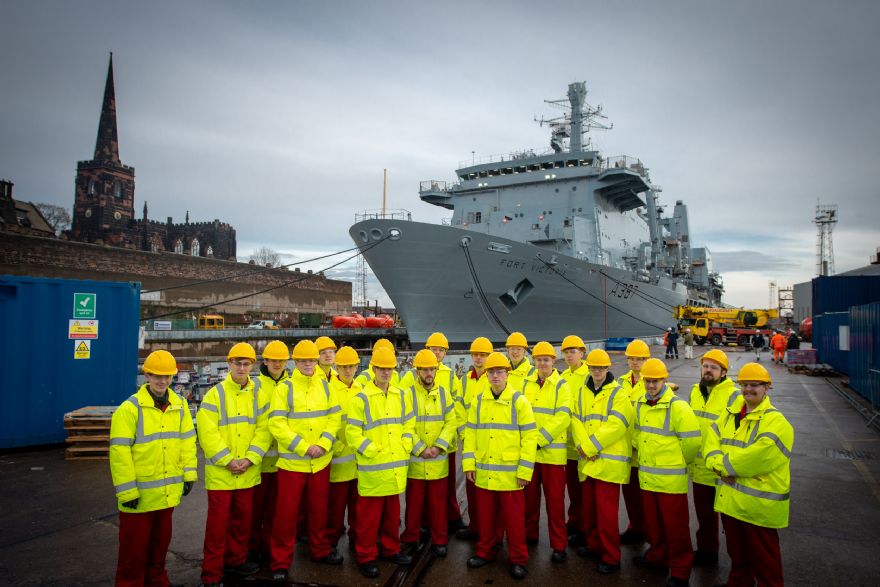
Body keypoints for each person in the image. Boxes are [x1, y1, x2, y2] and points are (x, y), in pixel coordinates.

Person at [110, 350, 197, 587]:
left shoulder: (179, 406)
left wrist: (189, 474)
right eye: (157, 376)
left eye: (167, 376)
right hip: (138, 499)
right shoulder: (129, 410)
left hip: (166, 495)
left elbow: (187, 442)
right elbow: (119, 452)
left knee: (159, 549)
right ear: (146, 375)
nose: (162, 381)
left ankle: (157, 581)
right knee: (133, 554)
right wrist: (127, 491)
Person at [704, 362, 793, 587]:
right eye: (744, 385)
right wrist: (716, 465)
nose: (749, 390)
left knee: (765, 561)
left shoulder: (776, 422)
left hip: (758, 507)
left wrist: (722, 467)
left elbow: (759, 457)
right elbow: (711, 439)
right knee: (737, 554)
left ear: (767, 388)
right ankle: (738, 583)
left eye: (755, 385)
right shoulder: (730, 414)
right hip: (732, 502)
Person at [197, 343, 272, 587]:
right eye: (237, 363)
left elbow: (264, 430)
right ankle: (211, 574)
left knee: (242, 522)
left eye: (246, 363)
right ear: (229, 364)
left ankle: (236, 561)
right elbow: (207, 434)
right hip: (222, 473)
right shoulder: (215, 394)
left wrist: (250, 458)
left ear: (252, 366)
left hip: (247, 470)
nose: (241, 367)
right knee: (218, 527)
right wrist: (228, 460)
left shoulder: (257, 395)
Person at [268, 340, 343, 582]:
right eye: (303, 361)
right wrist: (303, 447)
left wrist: (322, 444)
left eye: (311, 360)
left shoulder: (326, 386)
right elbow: (276, 423)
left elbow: (335, 418)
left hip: (319, 460)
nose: (308, 364)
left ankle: (319, 550)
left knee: (319, 510)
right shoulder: (285, 389)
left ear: (317, 361)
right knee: (286, 515)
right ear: (295, 362)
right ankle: (280, 561)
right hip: (293, 463)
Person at [462, 352, 538, 580]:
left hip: (511, 475)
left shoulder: (519, 401)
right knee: (486, 517)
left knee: (514, 521)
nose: (495, 376)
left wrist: (525, 470)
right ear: (486, 375)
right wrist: (469, 464)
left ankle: (518, 559)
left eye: (499, 372)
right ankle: (485, 551)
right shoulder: (478, 401)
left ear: (507, 374)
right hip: (484, 471)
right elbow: (471, 434)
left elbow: (530, 436)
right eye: (492, 372)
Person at [346, 347, 416, 578]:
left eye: (390, 369)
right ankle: (365, 556)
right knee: (368, 518)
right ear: (373, 369)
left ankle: (391, 549)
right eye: (382, 369)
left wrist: (406, 444)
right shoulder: (361, 399)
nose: (386, 373)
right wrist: (371, 450)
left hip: (395, 466)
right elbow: (352, 433)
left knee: (392, 515)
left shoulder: (400, 395)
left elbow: (408, 425)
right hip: (374, 468)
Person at [632, 358, 701, 587]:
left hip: (670, 481)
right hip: (648, 478)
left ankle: (681, 572)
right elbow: (638, 435)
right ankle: (657, 557)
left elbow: (691, 444)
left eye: (656, 381)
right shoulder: (641, 403)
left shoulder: (678, 407)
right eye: (647, 381)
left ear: (664, 381)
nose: (651, 386)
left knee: (676, 529)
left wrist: (678, 464)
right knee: (654, 525)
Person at [571, 348, 633, 574]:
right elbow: (574, 419)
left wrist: (589, 446)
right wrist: (583, 447)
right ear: (589, 368)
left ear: (608, 369)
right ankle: (594, 544)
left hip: (607, 462)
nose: (597, 371)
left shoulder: (619, 394)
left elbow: (617, 425)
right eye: (594, 367)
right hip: (588, 461)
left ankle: (611, 556)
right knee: (590, 511)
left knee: (606, 515)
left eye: (601, 368)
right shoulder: (580, 392)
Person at [398, 332, 467, 534]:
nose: (437, 353)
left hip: (444, 441)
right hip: (419, 439)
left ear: (445, 354)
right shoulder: (410, 376)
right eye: (433, 349)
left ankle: (452, 517)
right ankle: (423, 522)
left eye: (440, 350)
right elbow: (403, 405)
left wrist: (445, 440)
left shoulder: (449, 375)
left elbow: (455, 407)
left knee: (445, 486)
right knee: (419, 489)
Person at [400, 349, 457, 557]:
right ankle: (411, 536)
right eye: (424, 370)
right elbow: (405, 424)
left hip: (437, 460)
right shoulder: (407, 395)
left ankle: (440, 539)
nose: (428, 373)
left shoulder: (444, 394)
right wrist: (420, 448)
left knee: (438, 505)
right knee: (413, 505)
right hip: (417, 460)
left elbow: (451, 422)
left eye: (432, 369)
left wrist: (439, 446)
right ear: (417, 372)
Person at [688, 349, 740, 568]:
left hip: (722, 469)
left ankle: (740, 568)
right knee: (705, 516)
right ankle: (707, 552)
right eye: (706, 366)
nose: (708, 371)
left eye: (714, 367)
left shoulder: (734, 395)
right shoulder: (694, 392)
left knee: (731, 521)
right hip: (700, 468)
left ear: (724, 372)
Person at [521, 341, 571, 562]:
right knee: (528, 500)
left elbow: (563, 416)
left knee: (555, 503)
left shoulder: (561, 385)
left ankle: (559, 545)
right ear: (534, 362)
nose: (542, 363)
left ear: (553, 361)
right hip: (531, 454)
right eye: (539, 360)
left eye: (546, 360)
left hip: (551, 455)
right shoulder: (525, 385)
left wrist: (539, 440)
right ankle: (529, 535)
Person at [248, 340, 290, 564]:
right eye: (273, 360)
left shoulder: (291, 385)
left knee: (276, 510)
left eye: (281, 360)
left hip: (284, 461)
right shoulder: (254, 387)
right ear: (265, 361)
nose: (277, 364)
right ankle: (252, 546)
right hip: (260, 461)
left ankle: (267, 545)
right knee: (256, 510)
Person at [326, 346, 363, 552]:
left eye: (351, 366)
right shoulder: (328, 389)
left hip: (357, 461)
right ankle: (331, 541)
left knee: (358, 507)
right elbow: (324, 424)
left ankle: (357, 537)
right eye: (343, 367)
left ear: (357, 367)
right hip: (339, 461)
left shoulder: (361, 390)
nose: (347, 371)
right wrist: (337, 447)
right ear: (336, 367)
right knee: (335, 508)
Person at [456, 336, 493, 540]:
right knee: (471, 485)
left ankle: (490, 531)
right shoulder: (464, 380)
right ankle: (475, 527)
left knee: (487, 489)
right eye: (476, 355)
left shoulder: (495, 377)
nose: (479, 359)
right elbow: (459, 409)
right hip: (470, 440)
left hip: (489, 440)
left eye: (483, 355)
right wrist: (464, 433)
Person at [617, 339, 650, 545]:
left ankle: (647, 530)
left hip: (643, 447)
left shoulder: (653, 381)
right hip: (625, 447)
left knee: (645, 496)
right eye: (632, 359)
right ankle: (635, 526)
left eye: (640, 359)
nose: (635, 363)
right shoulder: (621, 382)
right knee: (629, 493)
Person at [558, 335, 589, 543]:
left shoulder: (590, 375)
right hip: (567, 445)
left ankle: (584, 527)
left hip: (585, 444)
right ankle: (574, 521)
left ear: (582, 353)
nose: (569, 355)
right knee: (573, 489)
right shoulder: (563, 377)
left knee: (585, 490)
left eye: (573, 351)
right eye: (566, 352)